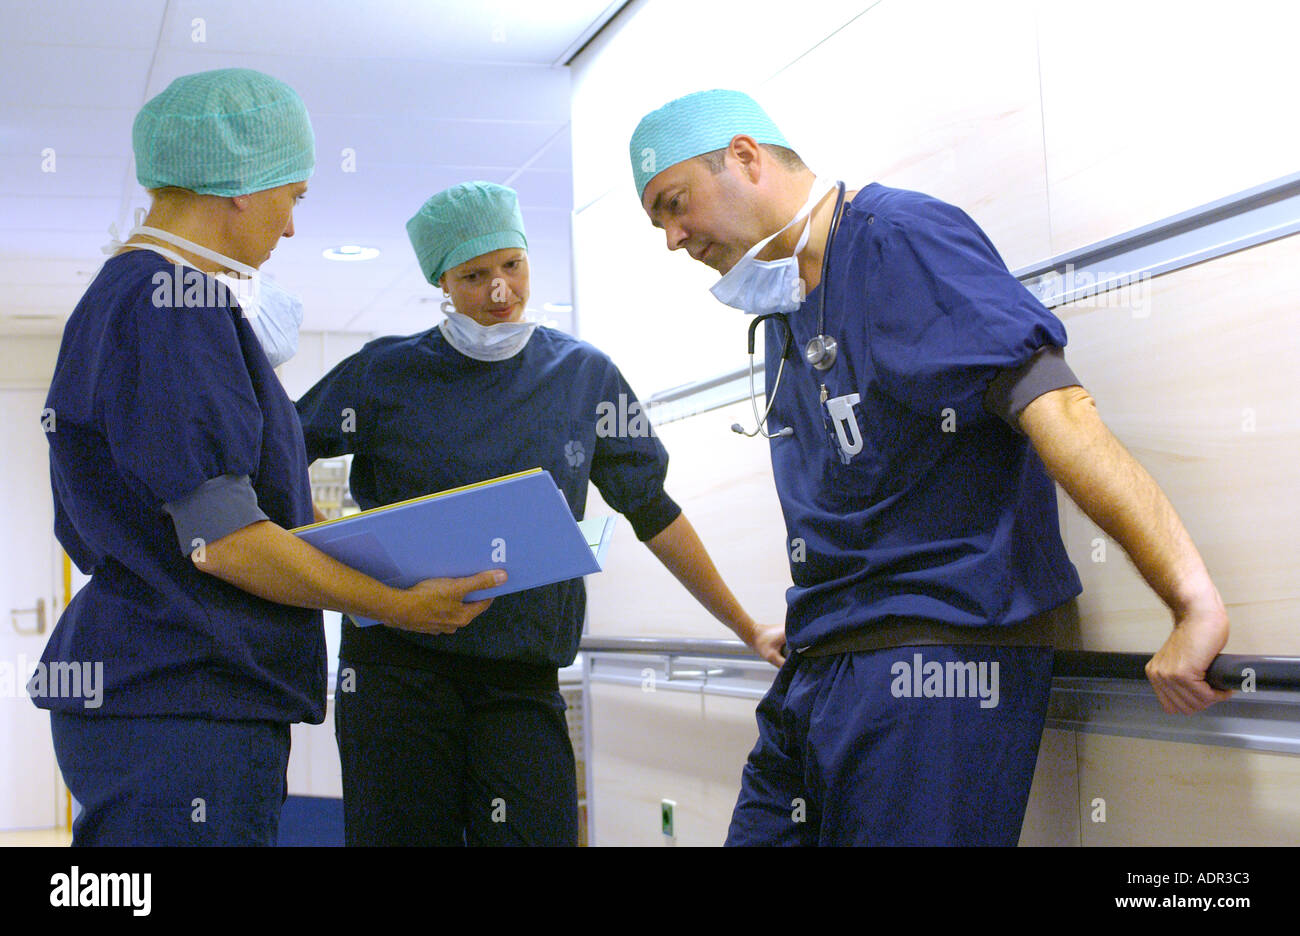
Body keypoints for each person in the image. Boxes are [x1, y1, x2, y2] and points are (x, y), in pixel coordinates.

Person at [627, 88, 1233, 846]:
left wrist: (1191, 598)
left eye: (675, 204)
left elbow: (1063, 413)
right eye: (657, 222)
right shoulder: (783, 308)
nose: (674, 238)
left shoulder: (901, 241)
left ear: (745, 157)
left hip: (935, 659)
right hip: (824, 663)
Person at [33, 68, 502, 847]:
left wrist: (378, 548)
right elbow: (222, 540)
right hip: (183, 702)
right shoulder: (169, 307)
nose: (290, 228)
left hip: (174, 697)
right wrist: (395, 605)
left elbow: (234, 510)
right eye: (295, 197)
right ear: (242, 187)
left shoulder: (145, 300)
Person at [296, 180, 783, 846]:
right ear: (442, 281)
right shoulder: (386, 374)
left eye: (511, 266)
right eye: (474, 275)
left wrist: (746, 626)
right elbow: (273, 456)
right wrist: (325, 541)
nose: (499, 290)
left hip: (520, 679)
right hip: (395, 674)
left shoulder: (583, 377)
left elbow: (653, 509)